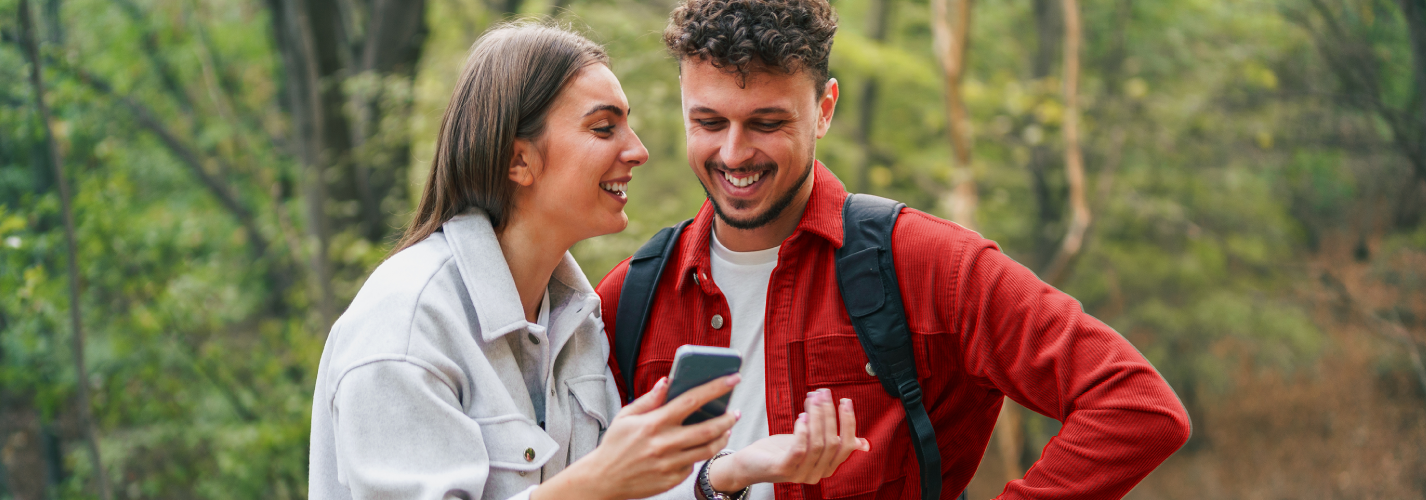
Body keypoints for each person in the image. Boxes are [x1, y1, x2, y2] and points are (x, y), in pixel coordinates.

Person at [595, 0, 1194, 498]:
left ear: (824, 108)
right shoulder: (630, 298)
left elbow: (1136, 406)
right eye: (709, 122)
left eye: (767, 123)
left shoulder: (928, 264)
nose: (733, 153)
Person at [307, 23, 746, 500]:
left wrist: (722, 476)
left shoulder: (579, 321)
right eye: (604, 128)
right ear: (518, 161)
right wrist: (593, 483)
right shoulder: (407, 325)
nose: (637, 150)